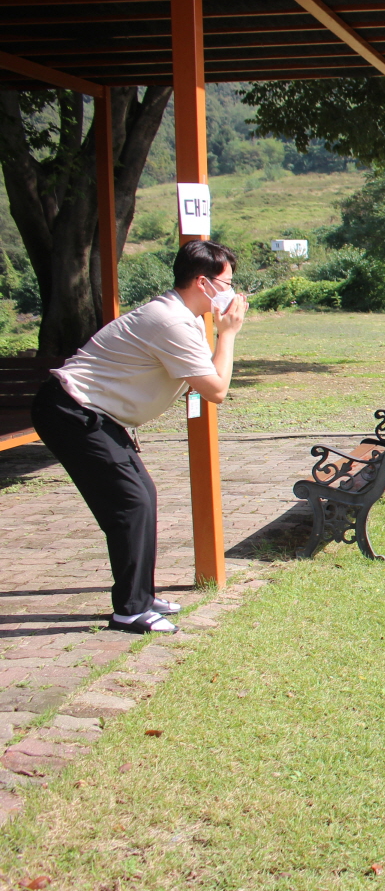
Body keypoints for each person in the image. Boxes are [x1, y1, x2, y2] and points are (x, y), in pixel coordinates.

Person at [30, 240, 249, 635]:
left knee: (139, 498)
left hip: (89, 413)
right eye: (227, 283)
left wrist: (220, 333)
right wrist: (228, 333)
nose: (232, 292)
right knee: (131, 503)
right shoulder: (171, 322)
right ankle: (131, 610)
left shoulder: (182, 317)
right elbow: (216, 390)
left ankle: (141, 597)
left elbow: (206, 378)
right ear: (203, 283)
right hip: (72, 411)